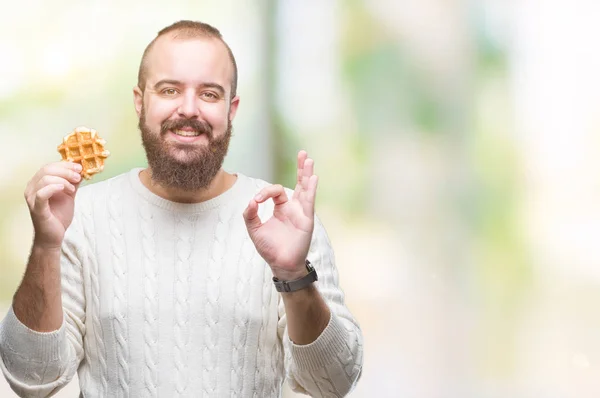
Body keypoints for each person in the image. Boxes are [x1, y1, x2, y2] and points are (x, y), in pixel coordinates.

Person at [0, 20, 363, 397]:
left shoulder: (284, 218)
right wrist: (45, 246)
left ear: (231, 108)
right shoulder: (82, 217)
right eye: (170, 90)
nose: (188, 109)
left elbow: (332, 383)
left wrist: (293, 275)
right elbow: (32, 379)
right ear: (141, 102)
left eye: (209, 94)